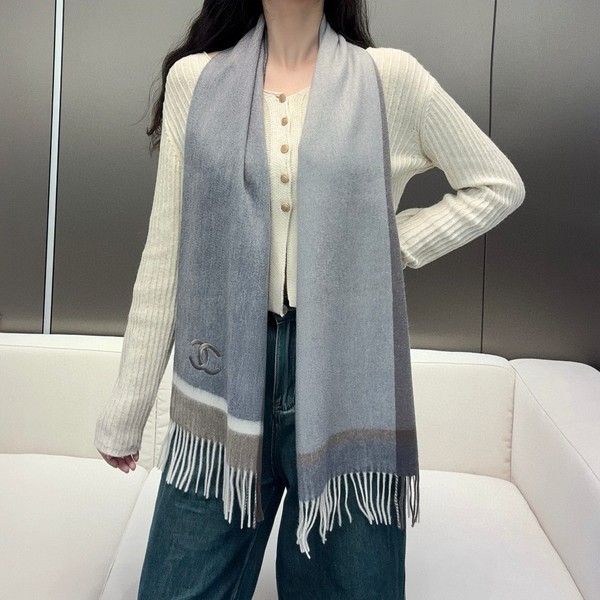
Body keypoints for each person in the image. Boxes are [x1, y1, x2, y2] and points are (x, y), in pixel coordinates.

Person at [94, 1, 526, 598]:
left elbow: (498, 184)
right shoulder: (196, 80)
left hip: (347, 380)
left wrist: (388, 245)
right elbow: (168, 251)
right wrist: (127, 410)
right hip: (222, 378)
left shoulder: (390, 80)